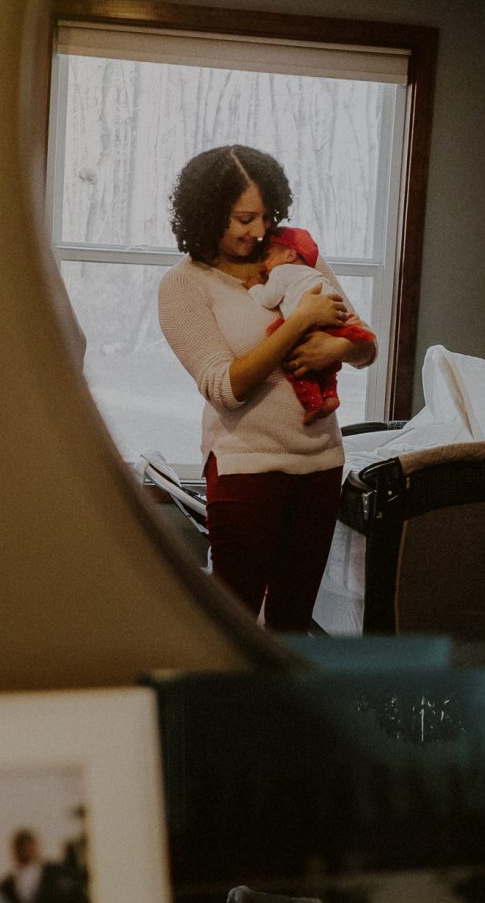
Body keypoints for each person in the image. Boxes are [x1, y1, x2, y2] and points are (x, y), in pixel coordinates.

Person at [156, 145, 376, 630]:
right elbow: (222, 386)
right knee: (233, 623)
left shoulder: (295, 258)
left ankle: (281, 709)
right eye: (243, 218)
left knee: (293, 621)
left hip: (320, 464)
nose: (258, 231)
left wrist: (336, 350)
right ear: (208, 214)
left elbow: (365, 347)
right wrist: (299, 325)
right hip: (244, 471)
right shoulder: (185, 285)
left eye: (266, 215)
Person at [249, 226, 374, 425]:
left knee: (291, 356)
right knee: (327, 367)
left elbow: (268, 299)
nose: (264, 264)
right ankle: (331, 394)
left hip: (322, 448)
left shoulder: (282, 271)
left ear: (290, 255)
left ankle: (314, 402)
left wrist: (254, 287)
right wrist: (341, 340)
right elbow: (362, 332)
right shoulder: (311, 272)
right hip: (336, 322)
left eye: (267, 256)